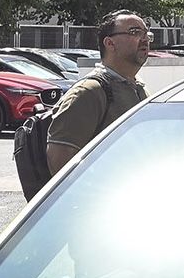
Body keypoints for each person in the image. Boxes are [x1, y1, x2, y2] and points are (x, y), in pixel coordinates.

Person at [45, 10, 151, 175]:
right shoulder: (89, 91)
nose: (144, 39)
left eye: (146, 33)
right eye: (135, 32)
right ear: (110, 43)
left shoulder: (140, 89)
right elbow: (59, 158)